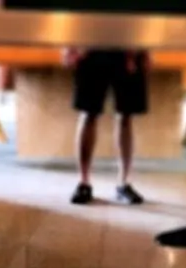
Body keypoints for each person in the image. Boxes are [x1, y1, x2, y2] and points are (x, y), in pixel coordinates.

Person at [63, 47, 148, 206]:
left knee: (126, 114)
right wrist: (69, 46)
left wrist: (145, 49)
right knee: (88, 112)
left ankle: (124, 183)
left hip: (130, 45)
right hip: (92, 46)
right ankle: (84, 182)